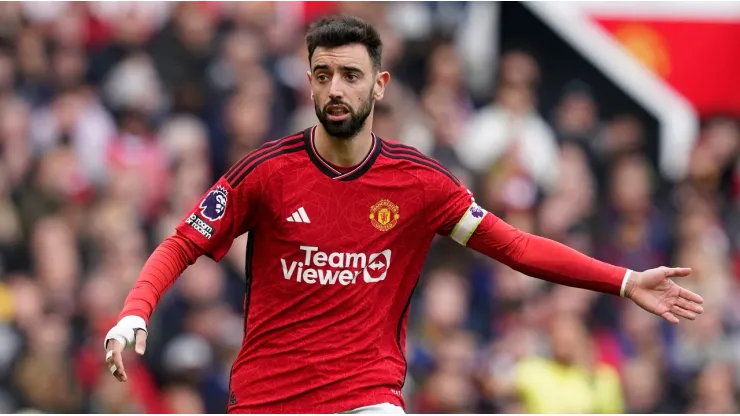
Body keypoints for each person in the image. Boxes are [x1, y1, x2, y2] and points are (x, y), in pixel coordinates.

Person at [103, 15, 705, 414]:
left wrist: (624, 280)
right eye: (323, 75)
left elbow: (516, 247)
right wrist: (135, 309)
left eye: (350, 75)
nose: (336, 89)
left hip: (366, 397)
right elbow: (182, 243)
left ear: (380, 84)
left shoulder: (420, 183)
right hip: (267, 399)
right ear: (309, 84)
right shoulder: (266, 171)